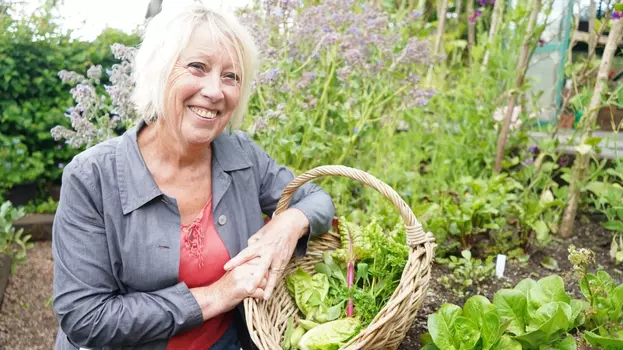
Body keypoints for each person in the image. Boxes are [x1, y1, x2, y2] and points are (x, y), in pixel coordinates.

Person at [51, 4, 335, 350]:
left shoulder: (240, 154)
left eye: (231, 76)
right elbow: (86, 318)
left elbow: (318, 199)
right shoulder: (91, 177)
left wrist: (289, 223)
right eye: (197, 67)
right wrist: (218, 294)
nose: (216, 91)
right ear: (159, 71)